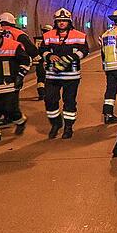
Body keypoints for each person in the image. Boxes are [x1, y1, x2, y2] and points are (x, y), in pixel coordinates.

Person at [39, 8, 89, 139]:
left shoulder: (79, 35)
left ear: (69, 22)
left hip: (71, 76)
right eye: (59, 21)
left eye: (64, 21)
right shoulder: (48, 35)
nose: (61, 23)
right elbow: (42, 50)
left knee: (69, 101)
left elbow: (84, 50)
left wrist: (72, 57)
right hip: (52, 75)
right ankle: (55, 124)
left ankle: (68, 127)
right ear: (55, 22)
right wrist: (49, 56)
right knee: (50, 100)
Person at [0, 12, 40, 94]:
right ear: (12, 22)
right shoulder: (18, 33)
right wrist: (38, 57)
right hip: (14, 63)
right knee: (13, 87)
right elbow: (29, 47)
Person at [32, 24, 53, 100]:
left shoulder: (38, 40)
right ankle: (47, 93)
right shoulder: (52, 40)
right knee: (49, 78)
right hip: (49, 62)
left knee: (40, 78)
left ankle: (41, 93)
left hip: (39, 62)